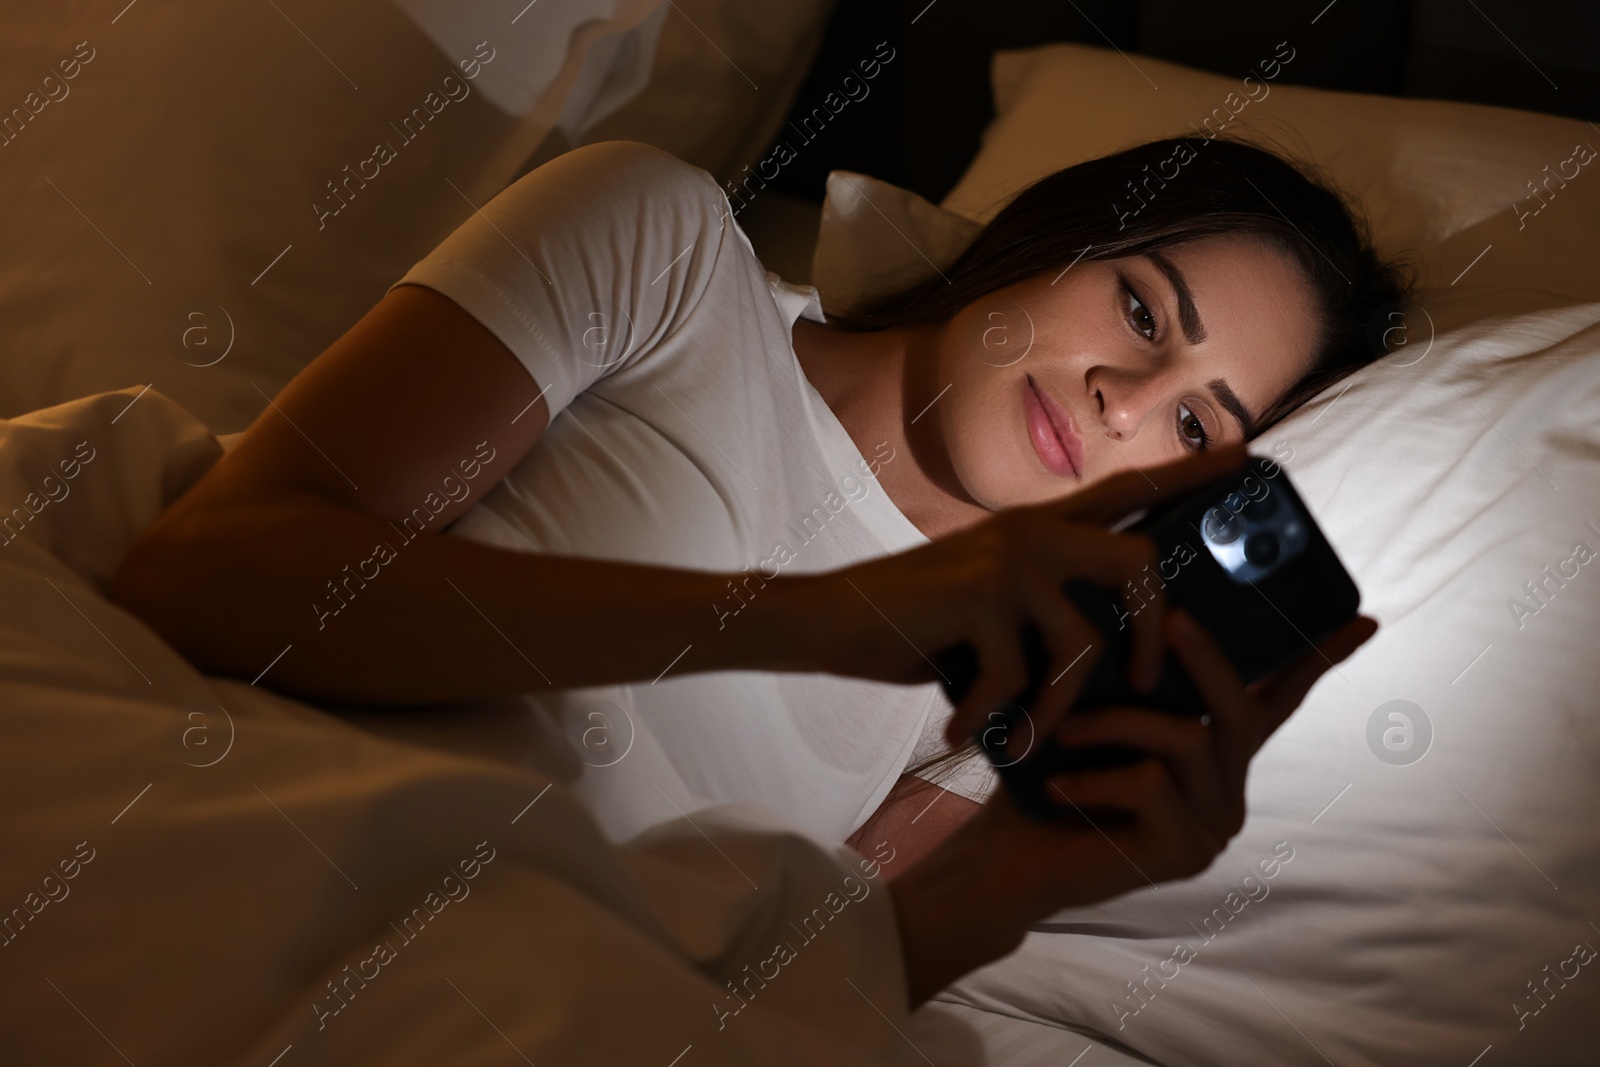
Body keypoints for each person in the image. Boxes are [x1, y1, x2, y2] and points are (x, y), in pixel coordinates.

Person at [108, 138, 1396, 999]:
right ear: (1053, 236)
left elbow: (782, 1007)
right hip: (242, 873)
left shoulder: (1011, 675)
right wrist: (808, 618)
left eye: (1194, 425)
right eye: (1139, 310)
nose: (1125, 402)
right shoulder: (662, 252)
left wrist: (1030, 886)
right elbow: (206, 575)